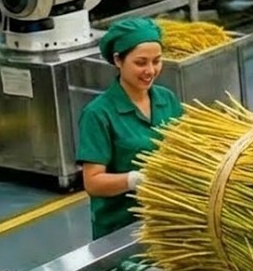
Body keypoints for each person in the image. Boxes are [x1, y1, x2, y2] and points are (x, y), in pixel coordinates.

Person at [77, 17, 185, 241]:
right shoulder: (98, 113)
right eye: (141, 63)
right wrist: (135, 180)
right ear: (118, 60)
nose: (150, 70)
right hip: (122, 229)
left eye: (157, 61)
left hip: (168, 219)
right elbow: (93, 182)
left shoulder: (167, 99)